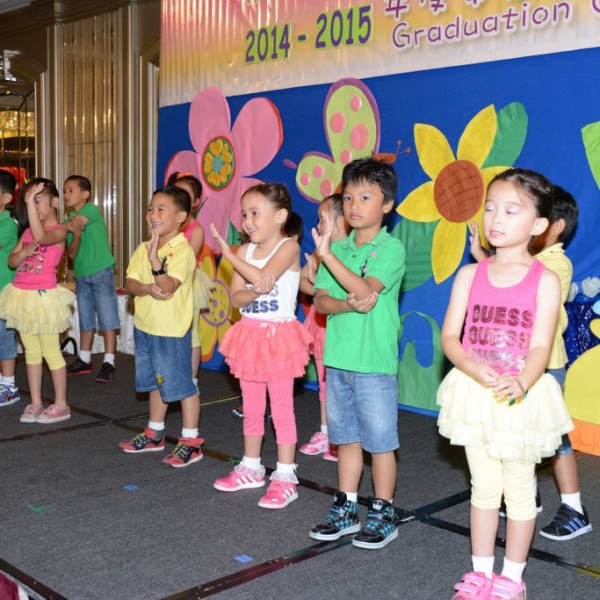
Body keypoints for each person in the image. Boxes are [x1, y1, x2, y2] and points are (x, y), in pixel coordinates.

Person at [439, 168, 573, 599]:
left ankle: (511, 579)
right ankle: (480, 573)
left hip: (520, 398)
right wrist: (471, 367)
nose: (495, 218)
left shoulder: (545, 280)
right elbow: (450, 337)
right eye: (491, 208)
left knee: (518, 491)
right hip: (475, 395)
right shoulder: (469, 275)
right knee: (483, 489)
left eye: (511, 210)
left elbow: (541, 345)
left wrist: (523, 381)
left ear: (538, 225)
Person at [471, 185, 592, 541]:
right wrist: (484, 257)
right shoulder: (523, 262)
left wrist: (494, 258)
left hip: (544, 367)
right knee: (517, 432)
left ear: (552, 226)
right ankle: (525, 493)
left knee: (555, 439)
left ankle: (574, 508)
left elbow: (525, 294)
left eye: (518, 213)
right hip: (511, 367)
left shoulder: (555, 265)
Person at [308, 156, 406, 550]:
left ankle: (384, 512)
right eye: (348, 197)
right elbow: (322, 301)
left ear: (387, 204)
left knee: (380, 443)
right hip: (339, 361)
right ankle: (346, 508)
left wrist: (330, 260)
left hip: (374, 365)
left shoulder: (391, 249)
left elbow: (366, 290)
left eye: (365, 197)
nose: (353, 205)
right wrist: (348, 303)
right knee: (345, 439)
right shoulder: (339, 248)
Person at [210, 183, 312, 509]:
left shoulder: (288, 247)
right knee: (252, 407)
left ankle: (285, 475)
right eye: (244, 214)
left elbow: (265, 278)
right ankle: (251, 466)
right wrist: (249, 284)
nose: (247, 221)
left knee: (281, 408)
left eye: (255, 213)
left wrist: (230, 257)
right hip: (250, 336)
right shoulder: (244, 252)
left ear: (280, 216)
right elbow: (237, 297)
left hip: (278, 338)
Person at [118, 185, 203, 467]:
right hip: (146, 327)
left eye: (160, 209)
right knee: (156, 381)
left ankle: (191, 441)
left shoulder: (183, 250)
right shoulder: (142, 248)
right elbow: (130, 283)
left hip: (170, 331)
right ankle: (155, 433)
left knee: (182, 385)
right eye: (150, 209)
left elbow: (168, 286)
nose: (152, 214)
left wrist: (156, 262)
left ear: (180, 217)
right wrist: (145, 288)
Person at [0, 178, 75, 423]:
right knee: (31, 353)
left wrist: (28, 201)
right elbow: (12, 261)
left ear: (55, 202)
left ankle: (61, 404)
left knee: (51, 351)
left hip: (44, 300)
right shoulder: (27, 233)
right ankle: (35, 402)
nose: (33, 207)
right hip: (23, 298)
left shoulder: (60, 231)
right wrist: (24, 252)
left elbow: (42, 238)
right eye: (30, 203)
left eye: (38, 201)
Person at [299, 193, 349, 462]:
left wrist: (320, 284)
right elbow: (305, 283)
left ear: (341, 220)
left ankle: (344, 437)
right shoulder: (321, 251)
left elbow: (349, 291)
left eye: (322, 218)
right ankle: (326, 432)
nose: (318, 224)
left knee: (344, 385)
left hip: (344, 328)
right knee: (324, 382)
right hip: (322, 327)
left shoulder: (353, 252)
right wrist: (315, 283)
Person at [63, 175, 120, 382]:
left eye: (71, 190)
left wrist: (55, 227)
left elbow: (79, 222)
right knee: (86, 318)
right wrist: (75, 234)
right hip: (82, 273)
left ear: (85, 194)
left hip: (101, 270)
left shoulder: (91, 210)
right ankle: (84, 359)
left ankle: (109, 362)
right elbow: (71, 253)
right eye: (64, 191)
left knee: (107, 317)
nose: (66, 194)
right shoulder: (70, 221)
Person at [168, 172, 213, 391]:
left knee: (192, 332)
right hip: (167, 283)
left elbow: (188, 258)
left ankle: (192, 381)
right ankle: (171, 376)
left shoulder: (197, 229)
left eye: (185, 194)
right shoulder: (168, 226)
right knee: (170, 331)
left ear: (195, 202)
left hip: (188, 284)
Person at [0, 170, 19, 407]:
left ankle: (8, 385)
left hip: (3, 293)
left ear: (6, 198)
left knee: (4, 337)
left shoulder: (8, 224)